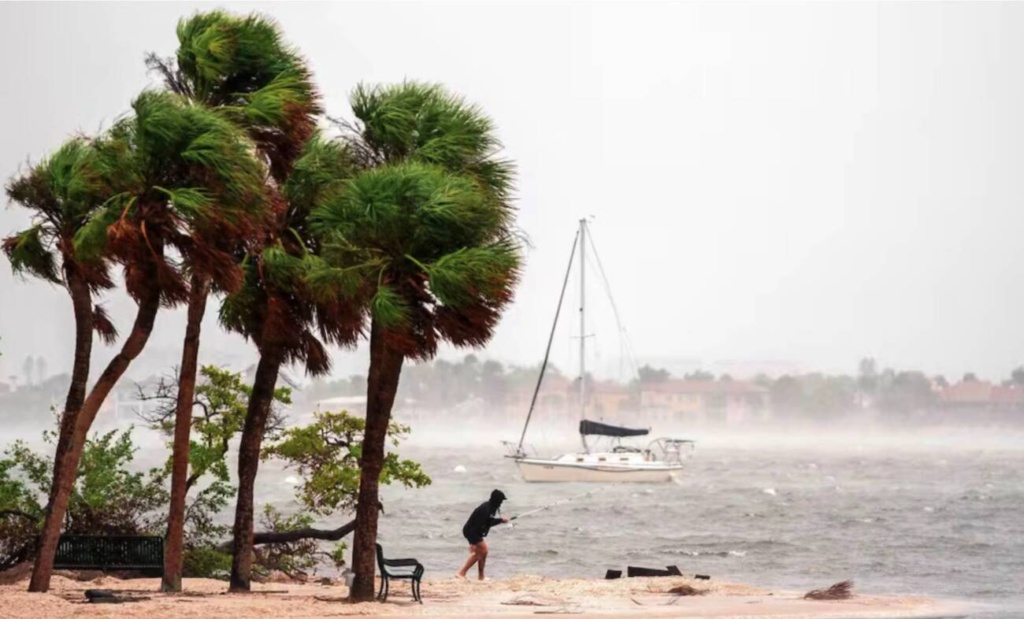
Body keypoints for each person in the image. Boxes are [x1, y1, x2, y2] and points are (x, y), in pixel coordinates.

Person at [456, 489, 509, 580]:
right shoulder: (485, 509)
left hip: (476, 531)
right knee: (482, 551)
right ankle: (461, 573)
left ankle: (481, 576)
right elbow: (477, 525)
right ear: (496, 500)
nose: (501, 503)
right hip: (471, 531)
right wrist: (472, 543)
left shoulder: (492, 508)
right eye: (501, 500)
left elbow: (488, 522)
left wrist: (500, 521)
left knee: (484, 552)